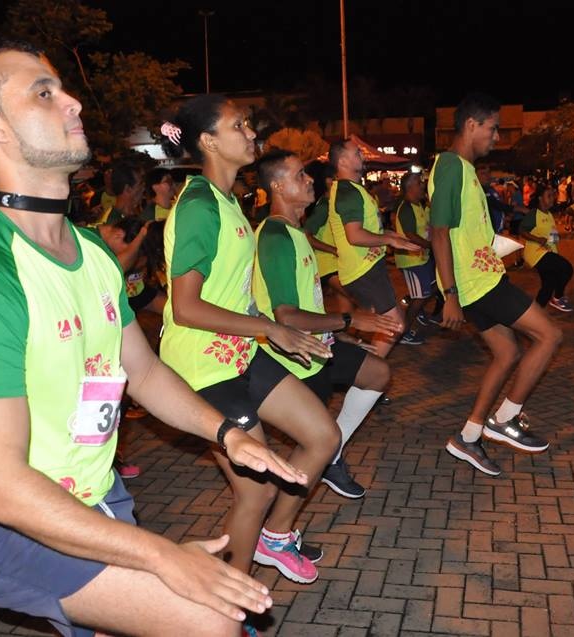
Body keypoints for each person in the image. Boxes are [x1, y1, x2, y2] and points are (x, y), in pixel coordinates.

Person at [0, 40, 311, 637]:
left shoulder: (94, 252)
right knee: (211, 619)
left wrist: (227, 434)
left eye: (62, 87)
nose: (72, 101)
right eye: (44, 93)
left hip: (94, 495)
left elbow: (145, 374)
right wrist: (160, 554)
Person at [159, 94, 341, 590]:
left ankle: (275, 539)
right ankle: (233, 606)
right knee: (254, 494)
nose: (250, 132)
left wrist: (276, 327)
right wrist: (270, 328)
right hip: (202, 369)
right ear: (208, 141)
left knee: (323, 436)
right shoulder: (198, 204)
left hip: (240, 353)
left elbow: (231, 292)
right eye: (237, 125)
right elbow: (186, 308)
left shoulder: (228, 201)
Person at [430, 93, 560, 476]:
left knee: (507, 354)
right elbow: (438, 233)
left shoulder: (466, 169)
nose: (497, 136)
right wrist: (450, 296)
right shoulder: (452, 166)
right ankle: (505, 418)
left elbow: (462, 232)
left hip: (479, 278)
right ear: (472, 125)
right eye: (492, 128)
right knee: (550, 336)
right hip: (475, 282)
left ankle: (468, 437)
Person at [253, 150, 396, 498]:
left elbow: (305, 304)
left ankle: (332, 455)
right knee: (311, 448)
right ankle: (277, 531)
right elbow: (285, 315)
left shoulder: (294, 230)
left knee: (377, 373)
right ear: (277, 187)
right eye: (300, 175)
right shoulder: (275, 236)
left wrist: (338, 332)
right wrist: (349, 319)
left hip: (318, 346)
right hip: (293, 360)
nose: (310, 179)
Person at [327, 138, 418, 357]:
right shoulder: (348, 192)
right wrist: (389, 240)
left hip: (366, 268)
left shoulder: (353, 190)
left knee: (387, 324)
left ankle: (367, 379)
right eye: (357, 152)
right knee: (394, 325)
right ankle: (366, 381)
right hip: (363, 270)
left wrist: (389, 235)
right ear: (342, 161)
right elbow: (355, 236)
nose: (362, 155)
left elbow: (363, 231)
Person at [302, 161, 354, 314]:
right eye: (337, 178)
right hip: (327, 265)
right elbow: (306, 235)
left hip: (335, 264)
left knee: (347, 308)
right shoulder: (324, 206)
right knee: (359, 297)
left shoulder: (331, 204)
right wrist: (334, 250)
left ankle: (342, 335)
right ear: (328, 181)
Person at [394, 171, 436, 345]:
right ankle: (402, 332)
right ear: (410, 187)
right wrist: (429, 245)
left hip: (421, 258)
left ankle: (415, 309)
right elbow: (410, 234)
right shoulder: (406, 208)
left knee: (431, 288)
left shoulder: (419, 205)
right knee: (421, 295)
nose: (422, 186)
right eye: (419, 184)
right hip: (411, 260)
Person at [519, 184, 574, 312]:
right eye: (548, 196)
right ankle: (558, 297)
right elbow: (522, 230)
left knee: (548, 286)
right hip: (536, 252)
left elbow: (553, 237)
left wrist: (561, 238)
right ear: (540, 198)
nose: (552, 199)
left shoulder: (549, 215)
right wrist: (538, 239)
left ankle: (536, 314)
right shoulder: (534, 214)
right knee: (566, 268)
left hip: (547, 252)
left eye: (553, 196)